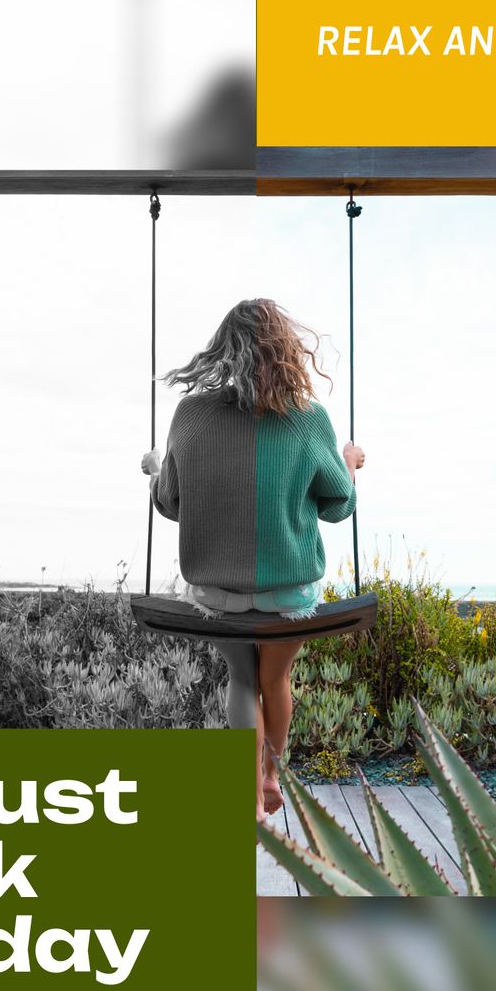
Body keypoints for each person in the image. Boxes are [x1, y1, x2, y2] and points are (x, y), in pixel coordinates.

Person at [140, 298, 364, 824]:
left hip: (216, 595)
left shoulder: (189, 414)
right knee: (274, 681)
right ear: (285, 351)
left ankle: (246, 797)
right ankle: (270, 776)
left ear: (221, 349)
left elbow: (170, 504)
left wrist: (156, 468)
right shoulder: (308, 420)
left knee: (241, 681)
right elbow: (340, 507)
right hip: (289, 595)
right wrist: (349, 463)